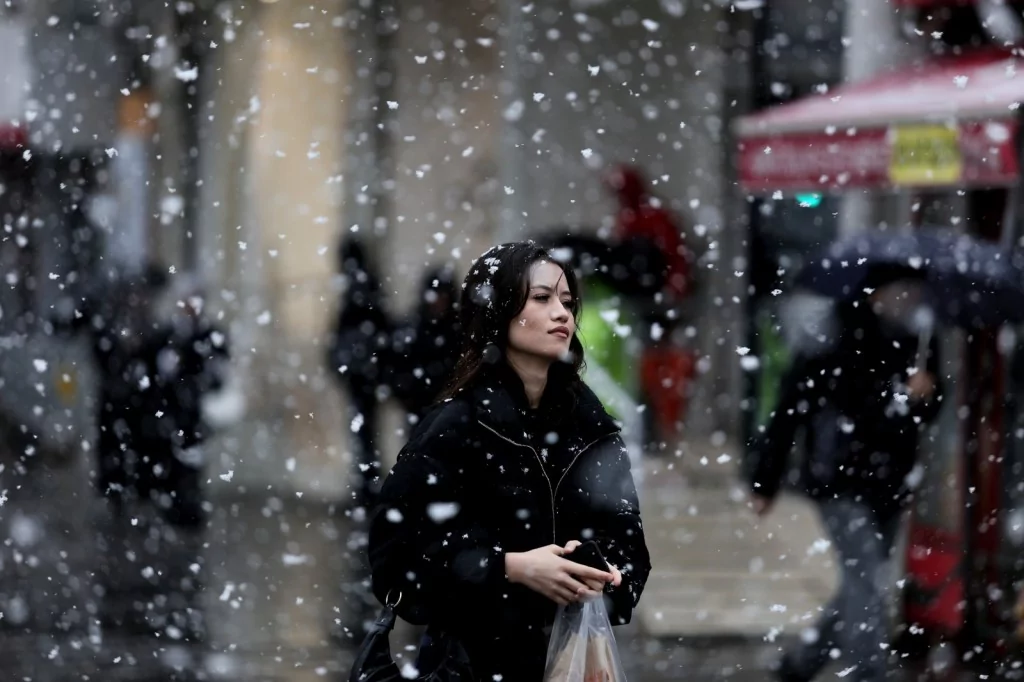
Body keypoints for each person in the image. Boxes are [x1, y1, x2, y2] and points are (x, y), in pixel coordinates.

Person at [367, 241, 651, 680]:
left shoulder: (592, 428)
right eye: (542, 298)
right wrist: (510, 567)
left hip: (572, 662)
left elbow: (630, 547)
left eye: (568, 302)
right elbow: (396, 565)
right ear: (498, 311)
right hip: (469, 667)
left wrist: (603, 574)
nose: (562, 314)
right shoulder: (455, 426)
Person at [747, 285, 941, 682]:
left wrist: (925, 394)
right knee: (866, 579)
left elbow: (922, 413)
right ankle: (866, 672)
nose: (904, 299)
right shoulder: (836, 336)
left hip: (891, 482)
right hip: (840, 480)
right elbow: (792, 407)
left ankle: (802, 662)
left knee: (862, 581)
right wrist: (766, 479)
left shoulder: (918, 338)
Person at [326, 238, 392, 508]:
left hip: (363, 373)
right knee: (366, 432)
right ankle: (367, 486)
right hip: (366, 372)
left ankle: (367, 488)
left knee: (364, 432)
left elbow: (355, 326)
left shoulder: (358, 286)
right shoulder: (366, 284)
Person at [388, 265, 461, 423]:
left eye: (443, 296)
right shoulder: (412, 329)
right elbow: (395, 367)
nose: (438, 302)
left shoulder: (459, 329)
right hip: (420, 411)